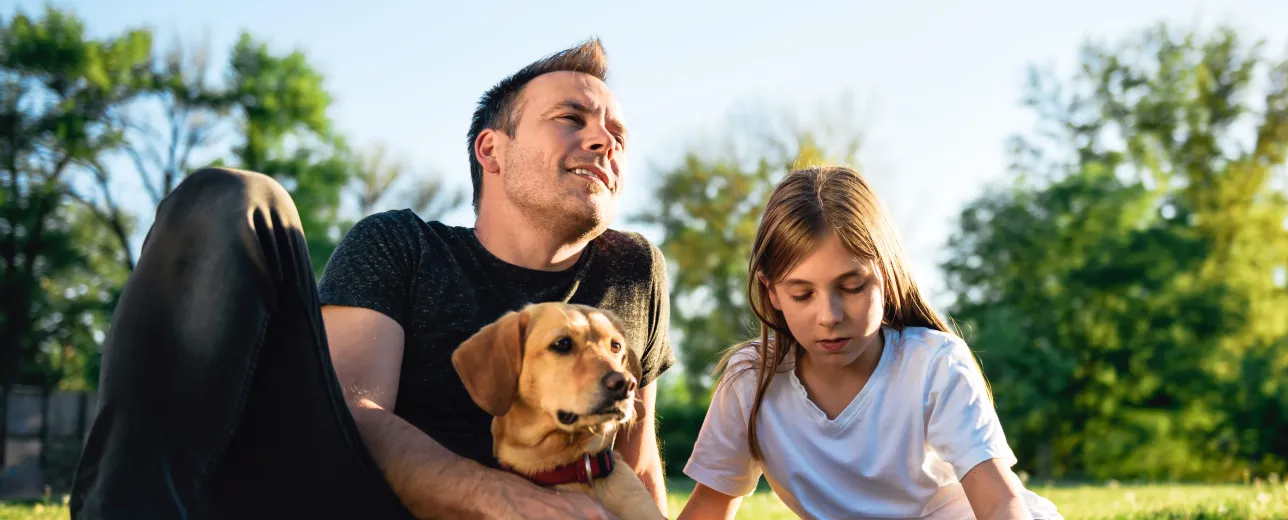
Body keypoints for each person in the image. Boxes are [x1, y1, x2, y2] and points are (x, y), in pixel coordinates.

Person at [68, 38, 675, 520]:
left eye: (617, 135)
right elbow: (351, 410)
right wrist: (502, 499)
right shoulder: (400, 245)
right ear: (492, 151)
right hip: (355, 500)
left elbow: (635, 464)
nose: (604, 141)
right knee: (235, 199)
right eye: (571, 118)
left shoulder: (632, 268)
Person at [674, 166, 1062, 520]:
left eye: (852, 287)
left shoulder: (934, 365)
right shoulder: (750, 380)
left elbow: (998, 501)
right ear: (770, 291)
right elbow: (709, 507)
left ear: (886, 275)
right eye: (802, 294)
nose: (830, 316)